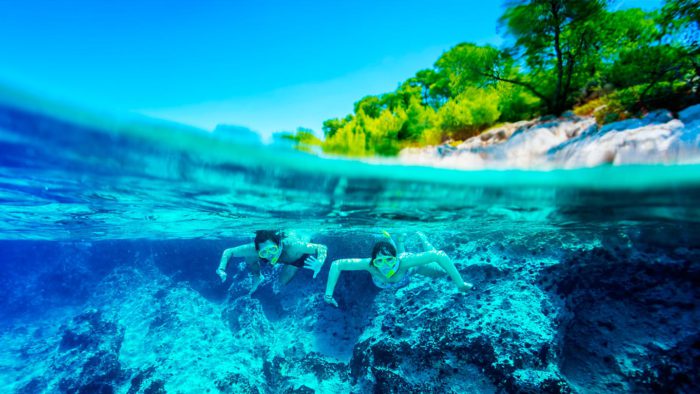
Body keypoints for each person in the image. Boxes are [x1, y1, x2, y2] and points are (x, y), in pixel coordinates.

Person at [323, 232, 472, 307]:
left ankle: (424, 241)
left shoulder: (404, 261)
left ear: (394, 260)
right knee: (397, 254)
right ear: (374, 261)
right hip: (398, 268)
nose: (385, 265)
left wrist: (460, 284)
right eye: (379, 261)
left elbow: (439, 255)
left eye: (389, 260)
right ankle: (399, 240)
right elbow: (337, 264)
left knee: (441, 272)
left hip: (413, 268)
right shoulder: (369, 265)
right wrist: (328, 295)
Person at [216, 230, 328, 292]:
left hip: (296, 258)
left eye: (273, 249)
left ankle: (290, 266)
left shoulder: (293, 247)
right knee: (249, 255)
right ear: (259, 250)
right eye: (264, 252)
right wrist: (221, 269)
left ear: (278, 245)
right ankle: (257, 276)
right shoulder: (255, 249)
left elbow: (322, 248)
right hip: (281, 255)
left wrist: (320, 262)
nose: (270, 255)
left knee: (283, 281)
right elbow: (228, 251)